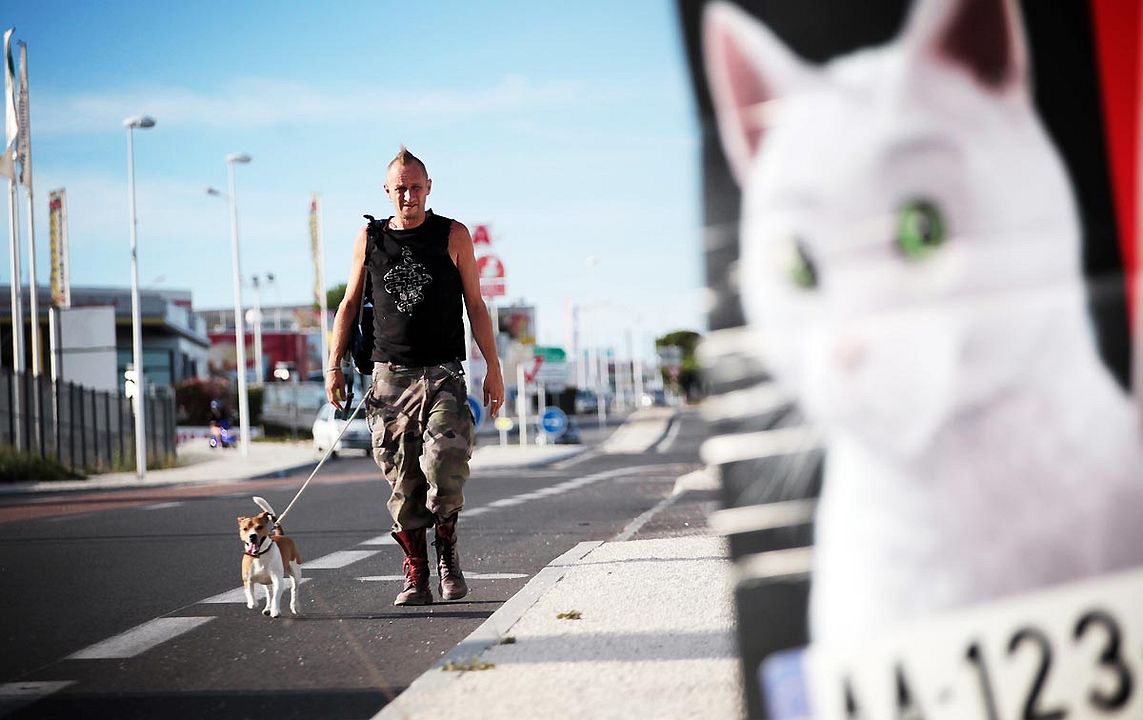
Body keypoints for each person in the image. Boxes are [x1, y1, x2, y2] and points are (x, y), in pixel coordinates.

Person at [325, 146, 505, 606]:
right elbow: (347, 306)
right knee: (402, 482)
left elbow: (476, 307)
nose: (408, 196)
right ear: (387, 192)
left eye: (416, 187)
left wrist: (494, 370)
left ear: (429, 188)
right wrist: (334, 365)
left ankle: (446, 548)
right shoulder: (370, 239)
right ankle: (417, 571)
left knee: (446, 463)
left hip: (443, 372)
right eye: (399, 189)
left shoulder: (453, 235)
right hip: (389, 379)